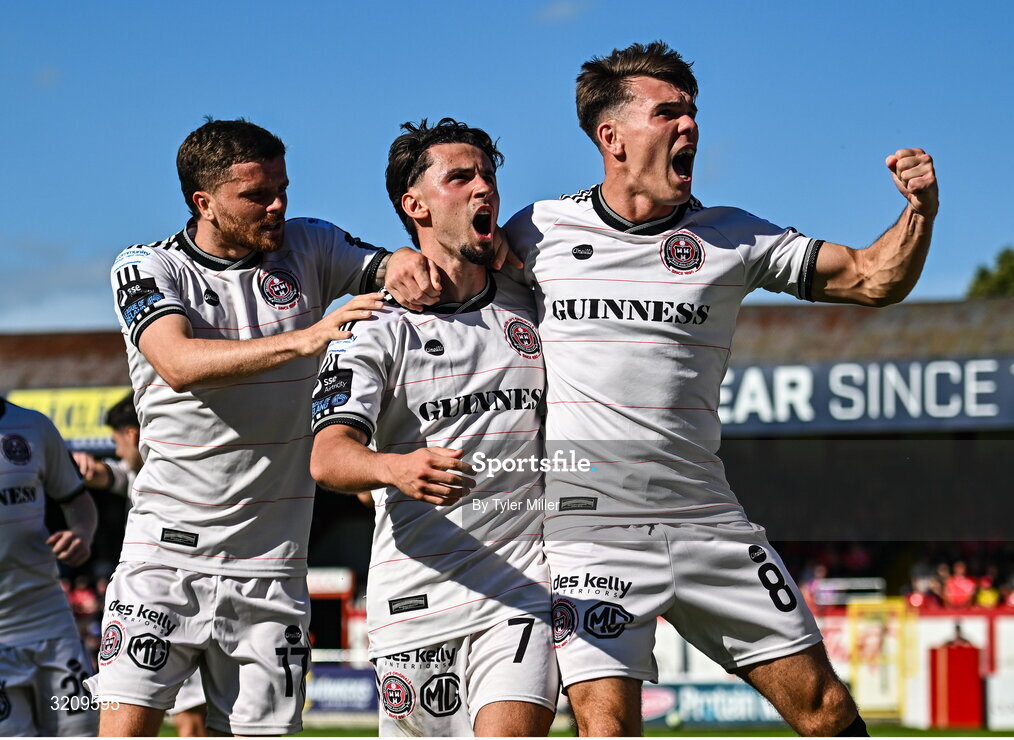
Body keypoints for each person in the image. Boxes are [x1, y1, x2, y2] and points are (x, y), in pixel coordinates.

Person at [504, 41, 938, 737]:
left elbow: (872, 278)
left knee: (826, 708)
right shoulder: (538, 231)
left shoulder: (733, 237)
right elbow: (450, 272)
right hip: (589, 530)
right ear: (609, 136)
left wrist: (921, 211)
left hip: (707, 519)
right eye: (668, 112)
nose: (690, 127)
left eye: (693, 113)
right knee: (607, 726)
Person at [88, 118, 439, 737]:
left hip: (273, 567)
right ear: (205, 203)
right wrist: (307, 338)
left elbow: (389, 266)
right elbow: (177, 363)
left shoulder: (310, 245)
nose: (278, 205)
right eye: (256, 195)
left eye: (283, 188)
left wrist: (408, 262)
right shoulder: (149, 268)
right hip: (164, 555)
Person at [309, 118, 557, 736]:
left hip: (524, 588)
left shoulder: (535, 296)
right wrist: (394, 467)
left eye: (490, 176)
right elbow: (328, 456)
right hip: (416, 598)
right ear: (414, 205)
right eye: (461, 177)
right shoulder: (373, 327)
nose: (485, 190)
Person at [76, 394, 209, 736]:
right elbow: (111, 474)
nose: (117, 451)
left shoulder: (174, 471)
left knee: (192, 722)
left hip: (185, 595)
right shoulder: (140, 474)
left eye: (116, 441)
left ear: (133, 434)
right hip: (162, 600)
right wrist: (87, 470)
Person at [0, 397, 99, 736]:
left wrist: (82, 535)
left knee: (83, 731)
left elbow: (77, 500)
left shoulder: (34, 426)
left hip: (51, 621)